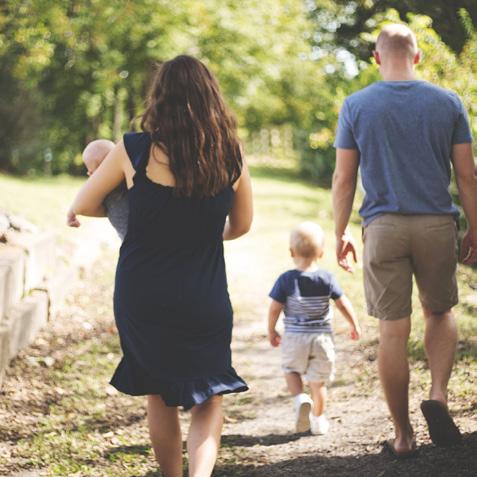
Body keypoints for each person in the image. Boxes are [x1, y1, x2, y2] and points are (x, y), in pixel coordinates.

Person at [67, 55, 253, 477]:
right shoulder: (231, 156)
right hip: (203, 294)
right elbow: (241, 226)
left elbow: (84, 203)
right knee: (209, 398)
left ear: (160, 98)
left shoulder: (133, 149)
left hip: (142, 292)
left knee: (158, 394)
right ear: (212, 100)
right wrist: (201, 234)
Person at [332, 23, 477, 457]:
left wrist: (339, 233)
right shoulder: (448, 102)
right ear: (417, 56)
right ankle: (437, 395)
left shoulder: (356, 105)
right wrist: (475, 225)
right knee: (439, 310)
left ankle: (403, 435)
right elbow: (467, 175)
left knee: (393, 331)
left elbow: (343, 178)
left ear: (377, 58)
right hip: (435, 224)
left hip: (383, 228)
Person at [267, 222, 361, 435]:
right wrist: (354, 324)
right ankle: (318, 420)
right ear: (321, 253)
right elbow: (342, 303)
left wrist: (271, 330)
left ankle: (300, 398)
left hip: (294, 337)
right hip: (321, 338)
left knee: (291, 370)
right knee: (318, 383)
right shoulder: (327, 278)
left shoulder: (286, 279)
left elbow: (275, 308)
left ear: (291, 252)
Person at [68, 139, 129, 241]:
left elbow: (82, 201)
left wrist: (71, 212)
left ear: (91, 174)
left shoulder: (100, 194)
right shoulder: (129, 178)